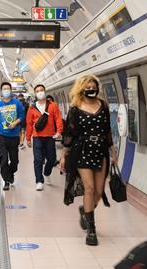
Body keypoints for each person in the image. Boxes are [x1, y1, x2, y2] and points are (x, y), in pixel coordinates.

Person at [59, 75, 118, 246]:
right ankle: (91, 230)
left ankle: (85, 210)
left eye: (94, 87)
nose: (91, 90)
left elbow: (107, 129)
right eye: (88, 87)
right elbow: (69, 134)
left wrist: (112, 148)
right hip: (82, 150)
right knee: (89, 188)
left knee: (99, 191)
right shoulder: (75, 108)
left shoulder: (104, 106)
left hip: (100, 150)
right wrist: (64, 155)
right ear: (81, 89)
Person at [26, 84, 63, 191]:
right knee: (38, 160)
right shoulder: (32, 108)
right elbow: (29, 124)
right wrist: (28, 138)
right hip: (37, 137)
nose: (40, 92)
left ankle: (47, 173)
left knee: (51, 159)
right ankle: (39, 181)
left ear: (45, 91)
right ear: (35, 93)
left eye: (41, 90)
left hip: (50, 137)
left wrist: (59, 131)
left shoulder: (53, 105)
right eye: (37, 91)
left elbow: (58, 119)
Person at [0, 82, 25, 191]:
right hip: (2, 137)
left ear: (10, 90)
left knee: (14, 161)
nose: (6, 90)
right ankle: (6, 181)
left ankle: (11, 173)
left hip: (14, 136)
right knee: (3, 159)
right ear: (1, 91)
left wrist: (15, 123)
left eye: (8, 89)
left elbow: (22, 116)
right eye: (4, 89)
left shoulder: (17, 103)